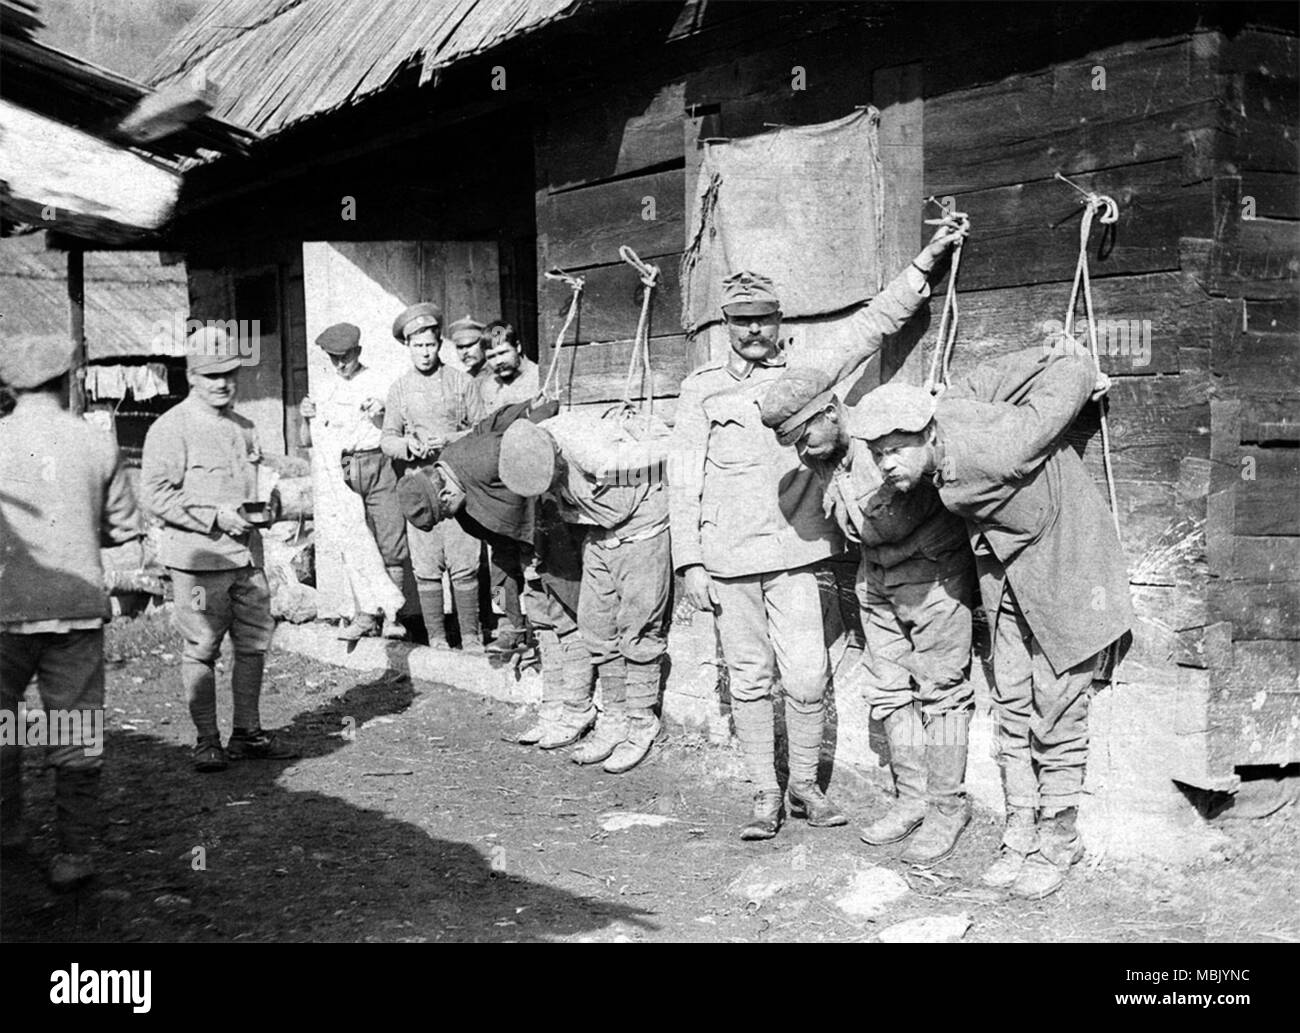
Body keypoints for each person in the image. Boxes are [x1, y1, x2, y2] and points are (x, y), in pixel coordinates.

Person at [670, 225, 965, 841]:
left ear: (779, 320)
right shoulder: (701, 389)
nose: (753, 330)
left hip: (798, 553)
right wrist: (689, 562)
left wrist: (926, 263)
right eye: (741, 320)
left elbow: (870, 326)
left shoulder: (809, 371)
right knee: (749, 681)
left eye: (764, 318)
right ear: (725, 323)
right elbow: (681, 478)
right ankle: (762, 793)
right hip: (727, 559)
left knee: (806, 677)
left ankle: (805, 786)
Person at [850, 347, 1133, 899]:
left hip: (1066, 564)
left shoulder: (1000, 450)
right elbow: (986, 377)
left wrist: (1073, 364)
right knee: (1012, 704)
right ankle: (1019, 830)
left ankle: (1058, 837)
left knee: (1057, 709)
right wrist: (1042, 351)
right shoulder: (949, 408)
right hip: (1004, 567)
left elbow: (1061, 390)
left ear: (928, 434)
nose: (887, 465)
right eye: (878, 453)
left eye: (897, 450)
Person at [759, 359, 976, 867]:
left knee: (942, 690)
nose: (801, 451)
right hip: (874, 579)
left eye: (805, 435)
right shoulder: (824, 455)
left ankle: (946, 810)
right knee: (891, 689)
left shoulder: (885, 436)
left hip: (930, 577)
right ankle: (912, 798)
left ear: (832, 412)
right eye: (791, 441)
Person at [0, 334, 142, 890]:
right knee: (76, 727)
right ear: (67, 380)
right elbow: (124, 529)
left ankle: (7, 831)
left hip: (4, 611)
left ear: (10, 385)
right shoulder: (95, 443)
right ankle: (75, 854)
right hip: (76, 611)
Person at [141, 326, 298, 774]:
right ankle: (207, 740)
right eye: (211, 375)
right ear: (192, 376)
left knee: (253, 645)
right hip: (198, 562)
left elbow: (256, 485)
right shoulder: (171, 428)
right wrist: (213, 516)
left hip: (247, 560)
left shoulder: (245, 428)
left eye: (229, 373)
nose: (222, 383)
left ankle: (247, 732)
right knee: (202, 646)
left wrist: (268, 504)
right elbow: (155, 495)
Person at [499, 407, 672, 773]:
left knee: (638, 630)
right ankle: (614, 720)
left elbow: (669, 452)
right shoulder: (531, 443)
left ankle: (641, 723)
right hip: (596, 532)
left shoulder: (594, 452)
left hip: (640, 530)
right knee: (596, 625)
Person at [381, 302, 487, 651]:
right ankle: (437, 639)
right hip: (419, 488)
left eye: (430, 345)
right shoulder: (398, 389)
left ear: (439, 344)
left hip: (457, 485)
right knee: (426, 567)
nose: (425, 353)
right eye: (417, 346)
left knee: (464, 563)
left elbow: (481, 432)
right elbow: (387, 439)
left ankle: (471, 636)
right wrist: (408, 445)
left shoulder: (461, 383)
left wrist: (450, 439)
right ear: (407, 347)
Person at [300, 322, 407, 640]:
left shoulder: (378, 380)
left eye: (344, 357)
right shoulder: (324, 386)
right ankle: (364, 615)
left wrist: (382, 412)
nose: (339, 365)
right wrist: (305, 417)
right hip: (341, 469)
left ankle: (392, 617)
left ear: (357, 352)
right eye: (333, 359)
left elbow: (396, 426)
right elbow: (307, 439)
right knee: (353, 541)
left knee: (390, 540)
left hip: (377, 463)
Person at [480, 321, 539, 413]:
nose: (498, 361)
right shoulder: (488, 386)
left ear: (518, 347)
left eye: (503, 353)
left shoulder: (538, 378)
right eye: (491, 357)